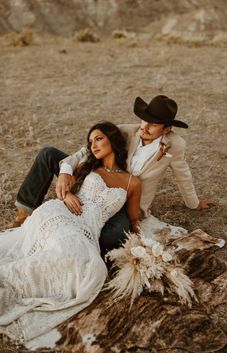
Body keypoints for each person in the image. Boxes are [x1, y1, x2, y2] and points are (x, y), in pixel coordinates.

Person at [10, 95, 215, 256]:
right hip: (96, 178)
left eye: (153, 124)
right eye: (144, 120)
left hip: (123, 200)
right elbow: (88, 149)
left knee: (116, 236)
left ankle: (76, 240)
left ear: (167, 128)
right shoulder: (126, 131)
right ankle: (24, 214)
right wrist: (65, 171)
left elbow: (183, 175)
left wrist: (193, 203)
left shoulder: (175, 145)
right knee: (48, 154)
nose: (145, 126)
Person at [0, 122, 141, 343]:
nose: (93, 145)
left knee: (94, 269)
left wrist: (140, 242)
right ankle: (8, 278)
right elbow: (64, 188)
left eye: (98, 139)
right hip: (60, 213)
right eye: (91, 141)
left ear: (113, 140)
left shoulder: (133, 182)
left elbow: (134, 218)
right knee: (68, 250)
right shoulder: (88, 166)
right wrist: (66, 196)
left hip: (88, 227)